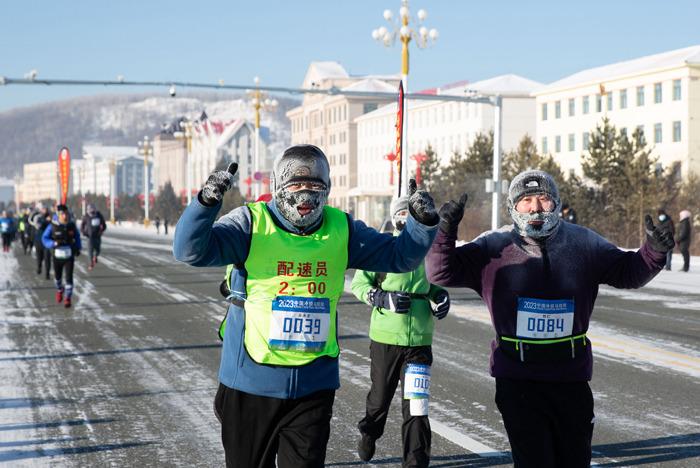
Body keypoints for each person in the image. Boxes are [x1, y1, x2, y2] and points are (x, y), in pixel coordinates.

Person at [173, 144, 439, 468]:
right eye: (296, 184)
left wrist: (422, 223)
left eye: (315, 185)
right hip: (251, 383)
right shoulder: (251, 223)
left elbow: (401, 256)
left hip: (313, 386)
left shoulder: (342, 229)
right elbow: (189, 250)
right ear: (278, 186)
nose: (305, 194)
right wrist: (205, 203)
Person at [426, 169, 674, 468]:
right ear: (512, 207)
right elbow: (440, 271)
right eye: (526, 200)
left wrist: (654, 252)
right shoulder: (494, 245)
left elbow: (629, 271)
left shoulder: (583, 242)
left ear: (556, 202)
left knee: (574, 461)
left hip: (570, 378)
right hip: (517, 379)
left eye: (543, 198)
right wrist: (444, 231)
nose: (535, 207)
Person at [351, 195, 450, 467]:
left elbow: (433, 286)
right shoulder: (384, 247)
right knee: (380, 397)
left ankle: (416, 461)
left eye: (412, 214)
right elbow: (359, 285)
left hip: (419, 339)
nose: (407, 218)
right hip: (386, 337)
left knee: (417, 406)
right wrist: (381, 298)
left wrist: (441, 297)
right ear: (395, 217)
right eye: (402, 213)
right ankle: (369, 432)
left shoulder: (427, 251)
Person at [42, 204, 82, 308]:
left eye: (66, 214)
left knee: (69, 278)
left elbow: (77, 237)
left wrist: (78, 248)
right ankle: (60, 290)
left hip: (69, 256)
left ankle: (67, 298)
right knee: (57, 279)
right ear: (58, 215)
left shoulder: (71, 225)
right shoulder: (52, 226)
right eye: (62, 214)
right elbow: (44, 238)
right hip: (57, 256)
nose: (65, 216)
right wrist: (53, 244)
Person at [80, 203, 107, 270]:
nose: (92, 211)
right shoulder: (86, 216)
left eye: (93, 209)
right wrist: (84, 232)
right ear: (88, 210)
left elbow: (104, 225)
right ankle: (91, 263)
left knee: (98, 250)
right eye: (90, 209)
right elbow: (82, 226)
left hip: (97, 236)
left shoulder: (99, 215)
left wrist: (101, 231)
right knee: (90, 251)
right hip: (89, 236)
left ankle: (95, 256)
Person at [30, 204, 53, 279]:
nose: (44, 210)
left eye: (45, 209)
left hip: (47, 242)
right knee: (39, 257)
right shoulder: (38, 217)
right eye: (43, 209)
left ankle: (47, 273)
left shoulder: (51, 217)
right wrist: (46, 221)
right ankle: (39, 267)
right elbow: (38, 226)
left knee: (47, 258)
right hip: (38, 241)